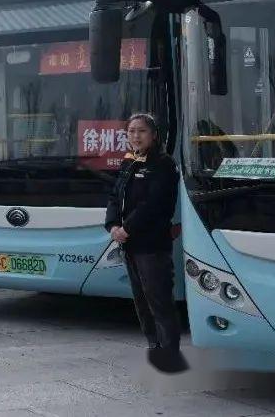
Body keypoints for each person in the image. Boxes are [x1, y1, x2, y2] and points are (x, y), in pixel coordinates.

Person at [105, 113, 186, 373]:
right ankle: (154, 345)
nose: (136, 136)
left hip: (152, 244)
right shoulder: (129, 161)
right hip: (129, 244)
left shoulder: (163, 164)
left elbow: (154, 204)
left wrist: (127, 228)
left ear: (153, 135)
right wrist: (113, 225)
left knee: (159, 299)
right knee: (140, 299)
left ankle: (170, 352)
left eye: (141, 131)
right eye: (131, 131)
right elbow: (115, 196)